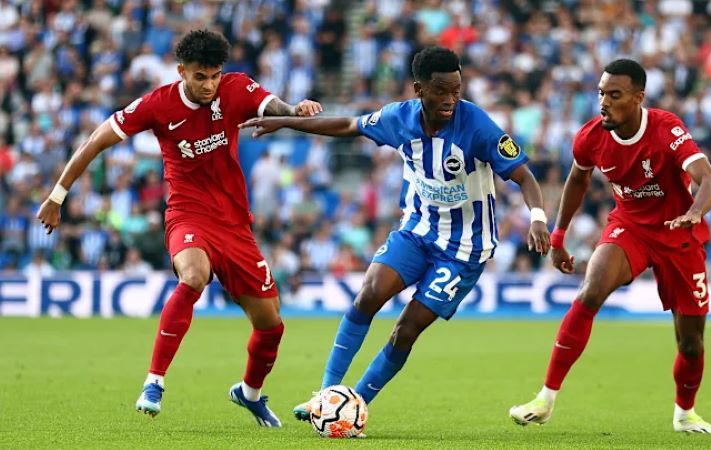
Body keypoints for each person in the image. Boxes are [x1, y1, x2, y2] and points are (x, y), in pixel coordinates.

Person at [241, 46, 551, 427]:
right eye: (441, 90)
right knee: (368, 295)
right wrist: (288, 122)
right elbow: (348, 126)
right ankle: (326, 395)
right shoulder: (397, 118)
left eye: (457, 89)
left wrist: (537, 217)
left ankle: (356, 404)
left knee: (406, 329)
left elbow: (524, 175)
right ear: (419, 89)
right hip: (417, 230)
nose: (451, 98)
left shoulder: (477, 125)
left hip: (464, 250)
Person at [36, 29, 323, 427]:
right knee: (193, 276)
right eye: (200, 76)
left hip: (235, 223)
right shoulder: (158, 104)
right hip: (188, 214)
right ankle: (154, 382)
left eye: (215, 76)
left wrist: (295, 109)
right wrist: (57, 195)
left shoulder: (236, 87)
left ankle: (249, 393)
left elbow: (270, 102)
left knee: (271, 325)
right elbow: (96, 141)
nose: (209, 85)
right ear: (181, 71)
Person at [508, 59, 711, 434]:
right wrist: (558, 237)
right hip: (631, 228)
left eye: (614, 95)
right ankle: (545, 399)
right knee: (590, 291)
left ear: (638, 98)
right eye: (601, 93)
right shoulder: (590, 137)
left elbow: (710, 181)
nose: (603, 102)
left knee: (691, 343)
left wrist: (694, 212)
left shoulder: (667, 128)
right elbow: (577, 180)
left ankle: (685, 413)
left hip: (679, 234)